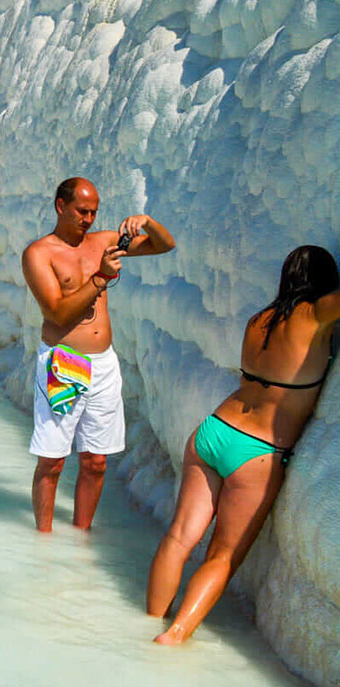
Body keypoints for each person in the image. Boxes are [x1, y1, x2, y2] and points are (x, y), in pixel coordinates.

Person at [146, 245, 338, 643]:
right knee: (223, 556)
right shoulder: (316, 316)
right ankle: (174, 636)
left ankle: (147, 623)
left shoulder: (258, 320)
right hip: (257, 450)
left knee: (180, 536)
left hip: (215, 430)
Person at [21, 177, 176, 532]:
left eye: (94, 212)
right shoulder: (39, 253)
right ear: (61, 206)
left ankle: (81, 536)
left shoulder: (104, 241)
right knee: (53, 461)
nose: (88, 219)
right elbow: (56, 313)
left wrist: (147, 222)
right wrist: (100, 277)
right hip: (64, 363)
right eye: (81, 211)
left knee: (96, 461)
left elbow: (164, 245)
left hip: (103, 364)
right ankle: (42, 541)